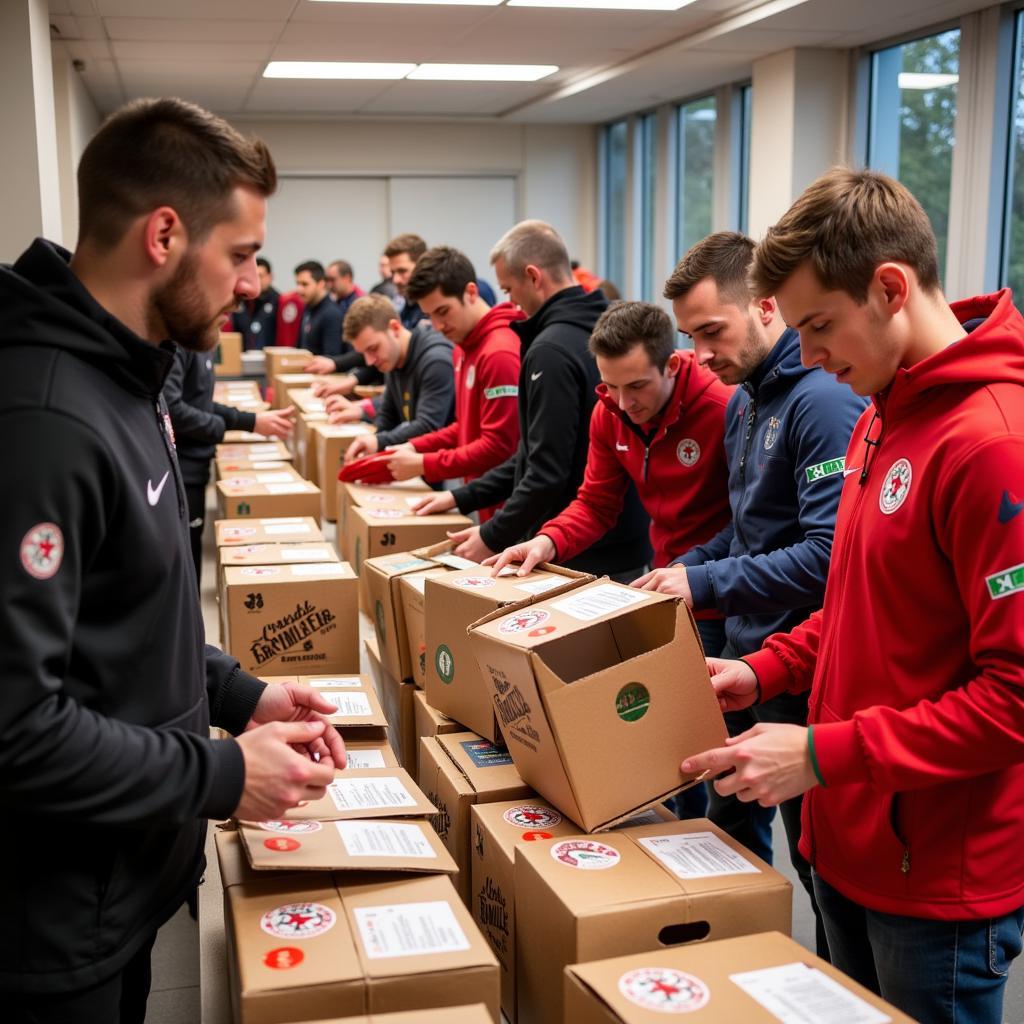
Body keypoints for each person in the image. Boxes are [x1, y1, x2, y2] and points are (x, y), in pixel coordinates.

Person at [0, 97, 346, 1024]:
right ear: (164, 234)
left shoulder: (126, 374)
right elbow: (16, 727)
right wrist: (223, 775)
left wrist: (241, 695)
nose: (250, 281)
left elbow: (127, 619)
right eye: (238, 254)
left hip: (126, 883)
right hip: (56, 925)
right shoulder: (44, 420)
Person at [682, 168, 1024, 1024]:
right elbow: (861, 601)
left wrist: (825, 755)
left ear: (890, 287)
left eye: (821, 325)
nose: (810, 355)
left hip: (934, 877)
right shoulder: (878, 408)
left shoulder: (992, 444)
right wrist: (761, 671)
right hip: (846, 836)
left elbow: (1015, 700)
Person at [638, 231, 865, 956]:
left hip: (804, 677)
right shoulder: (744, 401)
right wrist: (679, 573)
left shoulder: (821, 404)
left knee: (819, 868)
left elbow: (828, 559)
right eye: (690, 336)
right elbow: (746, 536)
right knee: (732, 834)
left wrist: (702, 581)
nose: (698, 355)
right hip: (747, 664)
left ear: (766, 307)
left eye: (712, 331)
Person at [487, 300, 732, 646]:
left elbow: (750, 518)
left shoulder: (723, 405)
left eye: (636, 385)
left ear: (671, 365)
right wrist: (547, 541)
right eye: (610, 385)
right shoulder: (609, 413)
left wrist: (698, 571)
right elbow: (596, 504)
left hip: (725, 585)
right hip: (665, 581)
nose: (623, 402)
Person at [413, 220, 650, 575]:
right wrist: (459, 497)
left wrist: (493, 534)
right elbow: (534, 455)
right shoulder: (607, 325)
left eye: (509, 289)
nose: (510, 301)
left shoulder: (550, 350)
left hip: (579, 548)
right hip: (623, 539)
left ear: (534, 276)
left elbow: (545, 471)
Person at [383, 245, 522, 520]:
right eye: (429, 316)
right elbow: (466, 426)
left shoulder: (499, 353)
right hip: (481, 498)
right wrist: (416, 446)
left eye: (443, 311)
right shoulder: (462, 346)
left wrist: (425, 463)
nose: (437, 325)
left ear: (471, 293)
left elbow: (499, 446)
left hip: (509, 506)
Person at [164, 346, 295, 587]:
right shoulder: (179, 345)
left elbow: (200, 403)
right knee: (186, 564)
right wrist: (219, 428)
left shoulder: (201, 347)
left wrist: (252, 421)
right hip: (182, 469)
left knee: (192, 560)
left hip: (197, 463)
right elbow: (171, 409)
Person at [334, 293, 455, 457]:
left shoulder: (435, 361)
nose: (370, 362)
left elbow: (427, 426)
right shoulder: (393, 359)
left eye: (373, 348)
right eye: (364, 354)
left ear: (395, 328)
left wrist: (379, 442)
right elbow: (388, 416)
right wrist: (373, 443)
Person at [294, 259, 345, 357]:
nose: (299, 289)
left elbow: (331, 358)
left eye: (305, 284)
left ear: (321, 284)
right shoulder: (308, 308)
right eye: (297, 284)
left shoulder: (332, 314)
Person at [231, 255, 278, 349]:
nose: (257, 280)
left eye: (260, 276)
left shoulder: (279, 301)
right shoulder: (243, 300)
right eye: (254, 276)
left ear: (270, 277)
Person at [385, 232, 428, 330]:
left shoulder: (435, 313)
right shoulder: (405, 306)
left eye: (402, 271)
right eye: (392, 273)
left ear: (422, 266)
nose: (395, 280)